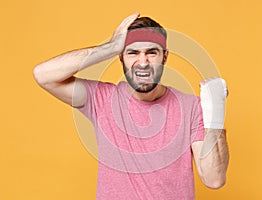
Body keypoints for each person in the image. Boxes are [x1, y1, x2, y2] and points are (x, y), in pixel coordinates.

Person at [33, 12, 229, 200]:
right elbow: (43, 75)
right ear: (121, 57)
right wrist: (110, 47)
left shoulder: (191, 107)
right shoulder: (102, 99)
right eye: (133, 53)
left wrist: (216, 111)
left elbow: (214, 178)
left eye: (151, 53)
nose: (142, 62)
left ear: (165, 57)